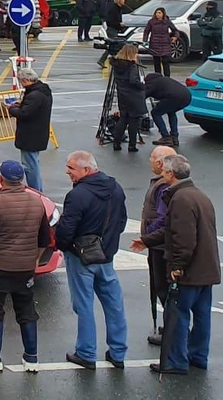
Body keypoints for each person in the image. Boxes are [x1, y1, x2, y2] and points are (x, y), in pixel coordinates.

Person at [139, 154, 221, 376]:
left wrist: (177, 266)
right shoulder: (199, 195)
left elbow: (183, 238)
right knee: (202, 315)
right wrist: (147, 240)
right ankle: (198, 356)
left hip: (189, 271)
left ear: (170, 174)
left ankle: (175, 361)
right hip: (207, 269)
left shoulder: (180, 199)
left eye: (164, 171)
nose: (161, 174)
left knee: (177, 316)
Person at [0, 160, 52, 372]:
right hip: (24, 269)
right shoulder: (37, 202)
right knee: (26, 311)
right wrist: (34, 259)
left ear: (1, 179)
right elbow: (44, 239)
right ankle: (31, 357)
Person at [56, 150, 129, 369]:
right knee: (114, 304)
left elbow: (66, 230)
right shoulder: (115, 188)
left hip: (81, 257)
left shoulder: (77, 195)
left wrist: (63, 246)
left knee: (84, 305)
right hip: (106, 255)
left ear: (86, 170)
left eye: (71, 168)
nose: (67, 172)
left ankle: (86, 353)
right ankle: (118, 352)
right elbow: (122, 221)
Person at [129, 146, 177, 347]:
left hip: (160, 247)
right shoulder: (163, 184)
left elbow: (162, 219)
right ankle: (171, 328)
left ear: (160, 163)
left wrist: (147, 239)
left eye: (151, 157)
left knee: (164, 289)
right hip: (159, 245)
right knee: (163, 289)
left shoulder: (163, 187)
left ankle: (171, 331)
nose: (149, 160)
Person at [8, 68, 53, 191]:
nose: (21, 83)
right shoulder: (43, 91)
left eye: (21, 81)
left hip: (30, 135)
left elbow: (25, 113)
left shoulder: (34, 95)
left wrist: (11, 109)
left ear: (27, 80)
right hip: (38, 133)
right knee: (33, 162)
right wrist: (22, 104)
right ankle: (37, 189)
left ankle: (36, 190)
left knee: (30, 166)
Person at [108, 44, 146, 152]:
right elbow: (133, 81)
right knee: (134, 121)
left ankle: (116, 143)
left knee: (123, 119)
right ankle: (132, 145)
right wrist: (142, 85)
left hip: (122, 95)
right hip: (134, 96)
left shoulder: (116, 65)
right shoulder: (132, 66)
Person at [144, 72, 192, 147]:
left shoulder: (151, 83)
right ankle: (174, 137)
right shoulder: (164, 79)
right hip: (187, 96)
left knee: (155, 113)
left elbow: (142, 96)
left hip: (173, 97)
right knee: (171, 111)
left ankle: (166, 137)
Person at [142, 7, 177, 78]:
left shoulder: (167, 21)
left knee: (165, 61)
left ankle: (167, 77)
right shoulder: (151, 22)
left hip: (165, 43)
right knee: (156, 61)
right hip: (155, 43)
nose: (157, 14)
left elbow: (175, 30)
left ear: (163, 14)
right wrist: (145, 40)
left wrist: (175, 37)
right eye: (156, 13)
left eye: (159, 13)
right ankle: (158, 77)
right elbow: (146, 31)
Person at [96, 0, 127, 67]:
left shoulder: (118, 8)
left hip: (115, 28)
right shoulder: (114, 9)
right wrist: (119, 24)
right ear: (120, 1)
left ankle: (105, 60)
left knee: (112, 46)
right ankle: (107, 60)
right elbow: (110, 21)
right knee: (113, 45)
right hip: (112, 29)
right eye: (123, 0)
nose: (124, 2)